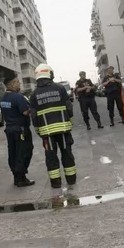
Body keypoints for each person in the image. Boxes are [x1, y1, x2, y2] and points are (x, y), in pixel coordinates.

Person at [29, 63, 76, 193]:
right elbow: (69, 107)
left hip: (46, 133)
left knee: (51, 156)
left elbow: (33, 116)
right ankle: (71, 179)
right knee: (67, 153)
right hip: (64, 130)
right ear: (49, 74)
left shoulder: (33, 95)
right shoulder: (60, 88)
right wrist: (70, 121)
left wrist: (38, 130)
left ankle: (56, 183)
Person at [0, 77, 34, 187]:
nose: (19, 84)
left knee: (13, 152)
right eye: (18, 82)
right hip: (20, 129)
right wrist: (31, 108)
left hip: (9, 129)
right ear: (12, 84)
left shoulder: (3, 98)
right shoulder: (18, 97)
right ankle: (21, 178)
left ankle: (16, 176)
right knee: (24, 151)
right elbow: (24, 112)